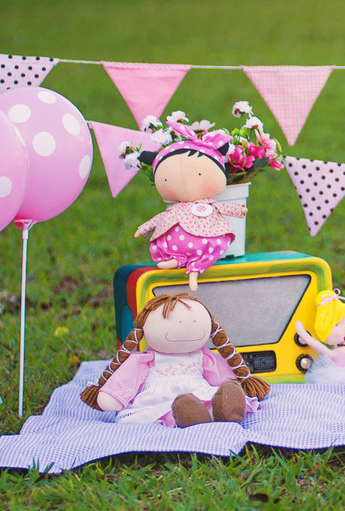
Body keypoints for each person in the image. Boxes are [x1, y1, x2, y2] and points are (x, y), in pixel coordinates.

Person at [79, 293, 270, 427]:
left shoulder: (203, 355)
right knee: (172, 409)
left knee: (213, 398)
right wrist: (113, 396)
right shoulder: (146, 359)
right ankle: (188, 417)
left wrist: (235, 385)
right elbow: (127, 378)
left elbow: (219, 374)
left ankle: (224, 409)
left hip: (198, 391)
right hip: (162, 400)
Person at [133, 122, 247, 291]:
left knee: (210, 244)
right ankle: (177, 259)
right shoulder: (173, 209)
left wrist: (239, 210)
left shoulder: (210, 205)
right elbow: (158, 219)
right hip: (176, 235)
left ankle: (195, 268)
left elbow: (223, 208)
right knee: (170, 234)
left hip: (207, 232)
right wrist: (143, 229)